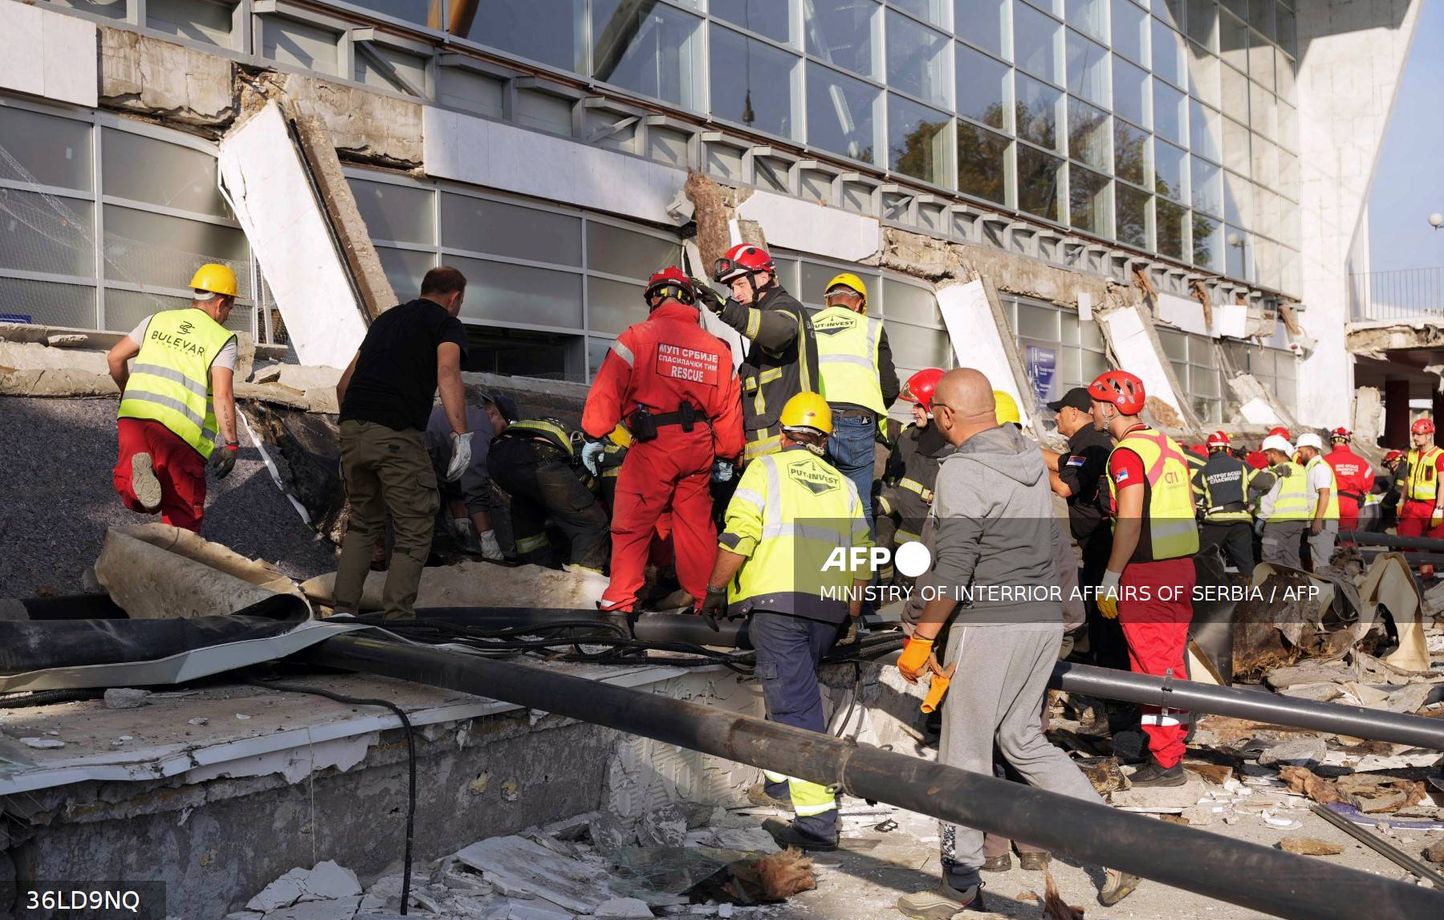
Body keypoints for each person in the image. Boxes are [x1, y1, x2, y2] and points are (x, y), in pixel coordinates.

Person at [895, 370, 1137, 918]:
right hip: (1040, 621)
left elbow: (954, 565)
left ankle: (959, 883)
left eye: (932, 411)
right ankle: (1122, 848)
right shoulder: (1031, 458)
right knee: (1023, 739)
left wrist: (923, 635)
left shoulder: (961, 473)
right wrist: (1067, 617)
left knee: (965, 752)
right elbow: (1055, 541)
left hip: (990, 624)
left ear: (947, 416)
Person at [700, 392, 870, 851]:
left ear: (782, 435)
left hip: (779, 606)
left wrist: (715, 591)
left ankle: (816, 823)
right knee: (789, 692)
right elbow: (860, 560)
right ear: (825, 441)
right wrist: (851, 616)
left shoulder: (766, 469)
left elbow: (739, 534)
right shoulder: (844, 486)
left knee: (795, 708)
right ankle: (780, 783)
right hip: (827, 609)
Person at [583, 266, 744, 613]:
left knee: (632, 523)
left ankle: (619, 603)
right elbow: (729, 410)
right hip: (699, 449)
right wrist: (728, 454)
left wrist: (595, 431)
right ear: (690, 300)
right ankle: (706, 602)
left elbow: (605, 396)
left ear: (653, 298)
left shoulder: (637, 337)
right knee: (696, 527)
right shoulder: (718, 349)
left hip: (654, 444)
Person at [333, 266, 471, 619]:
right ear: (454, 299)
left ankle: (343, 612)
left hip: (353, 428)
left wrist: (353, 428)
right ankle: (398, 620)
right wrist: (461, 434)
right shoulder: (445, 323)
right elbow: (447, 372)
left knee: (363, 524)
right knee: (414, 526)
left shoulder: (386, 320)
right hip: (396, 434)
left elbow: (343, 384)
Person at [1090, 370, 1199, 788]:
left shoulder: (1125, 454)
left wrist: (1110, 579)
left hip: (1146, 572)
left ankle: (1168, 760)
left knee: (1152, 669)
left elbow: (1130, 521)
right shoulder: (1166, 445)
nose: (1093, 410)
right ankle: (1173, 737)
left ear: (1111, 407)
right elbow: (1188, 503)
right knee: (1169, 661)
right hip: (1180, 566)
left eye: (1096, 403)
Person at [106, 264, 242, 533]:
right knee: (183, 514)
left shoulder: (156, 320)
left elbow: (115, 357)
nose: (228, 315)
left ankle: (137, 479)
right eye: (230, 308)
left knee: (133, 491)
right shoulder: (222, 339)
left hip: (134, 417)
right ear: (221, 302)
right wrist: (232, 443)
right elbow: (223, 395)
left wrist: (127, 392)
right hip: (179, 433)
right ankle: (173, 567)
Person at [692, 244, 819, 462]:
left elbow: (779, 331)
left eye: (740, 284)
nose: (736, 293)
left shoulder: (785, 306)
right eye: (732, 288)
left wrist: (725, 309)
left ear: (762, 277)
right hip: (771, 452)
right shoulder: (763, 315)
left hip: (786, 449)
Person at [1041, 386, 1121, 671]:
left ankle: (1107, 694)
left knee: (1101, 623)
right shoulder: (1084, 443)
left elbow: (1064, 485)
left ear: (1074, 412)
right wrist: (1027, 451)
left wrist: (1030, 464)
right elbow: (1060, 464)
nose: (1055, 419)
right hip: (1095, 543)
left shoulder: (1091, 443)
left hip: (1099, 544)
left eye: (1059, 412)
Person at [811, 272, 899, 529]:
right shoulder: (871, 328)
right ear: (860, 303)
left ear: (828, 302)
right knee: (858, 505)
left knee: (819, 504)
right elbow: (890, 387)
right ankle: (858, 569)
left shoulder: (809, 323)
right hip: (856, 423)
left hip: (815, 423)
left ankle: (821, 567)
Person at [489, 414, 610, 574]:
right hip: (541, 455)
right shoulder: (593, 454)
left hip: (497, 455)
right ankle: (579, 586)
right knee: (591, 525)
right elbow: (582, 487)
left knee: (528, 510)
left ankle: (532, 573)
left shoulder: (568, 432)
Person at [876, 368, 949, 586]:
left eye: (918, 405)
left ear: (933, 407)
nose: (913, 411)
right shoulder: (908, 438)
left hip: (928, 559)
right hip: (896, 545)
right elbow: (891, 481)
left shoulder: (954, 452)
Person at [424, 392, 516, 561]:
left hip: (428, 456)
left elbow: (454, 480)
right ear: (493, 414)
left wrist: (462, 524)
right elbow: (474, 486)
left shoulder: (472, 415)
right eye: (503, 428)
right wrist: (488, 540)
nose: (501, 436)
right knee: (415, 519)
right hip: (417, 455)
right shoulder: (482, 430)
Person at [1193, 431, 1256, 584]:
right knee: (1246, 564)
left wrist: (1201, 512)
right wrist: (1277, 473)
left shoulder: (1203, 471)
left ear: (1209, 449)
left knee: (1201, 560)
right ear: (1228, 449)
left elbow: (1192, 499)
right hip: (1241, 522)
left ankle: (1208, 594)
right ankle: (1251, 595)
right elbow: (1265, 482)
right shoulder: (1242, 467)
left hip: (1215, 523)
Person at [1252, 434, 1311, 568]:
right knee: (1291, 559)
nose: (1266, 458)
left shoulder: (1274, 472)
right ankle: (1297, 587)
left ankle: (1277, 587)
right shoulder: (1302, 471)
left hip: (1277, 523)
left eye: (1266, 455)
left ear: (1273, 453)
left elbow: (1268, 497)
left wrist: (1261, 518)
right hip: (1298, 522)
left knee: (1270, 560)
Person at [1295, 432, 1339, 570]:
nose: (1299, 455)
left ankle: (1326, 591)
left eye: (1301, 451)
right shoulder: (1312, 468)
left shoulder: (1320, 468)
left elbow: (1324, 493)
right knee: (1318, 562)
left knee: (1322, 563)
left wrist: (1318, 519)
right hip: (1319, 522)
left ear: (1310, 451)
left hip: (1323, 522)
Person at [1398, 418, 1444, 538]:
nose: (1414, 438)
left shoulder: (1439, 456)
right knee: (1405, 538)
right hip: (1413, 505)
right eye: (1413, 434)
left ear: (1428, 436)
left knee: (1437, 544)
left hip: (1432, 505)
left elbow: (1443, 484)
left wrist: (1439, 508)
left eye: (1418, 434)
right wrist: (1402, 499)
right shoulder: (1412, 454)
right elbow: (1408, 477)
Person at [1323, 428, 1372, 537]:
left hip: (1329, 501)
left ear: (1332, 441)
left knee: (1327, 537)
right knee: (1348, 538)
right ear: (1347, 442)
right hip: (1351, 503)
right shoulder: (1361, 462)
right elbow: (1369, 482)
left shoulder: (1324, 461)